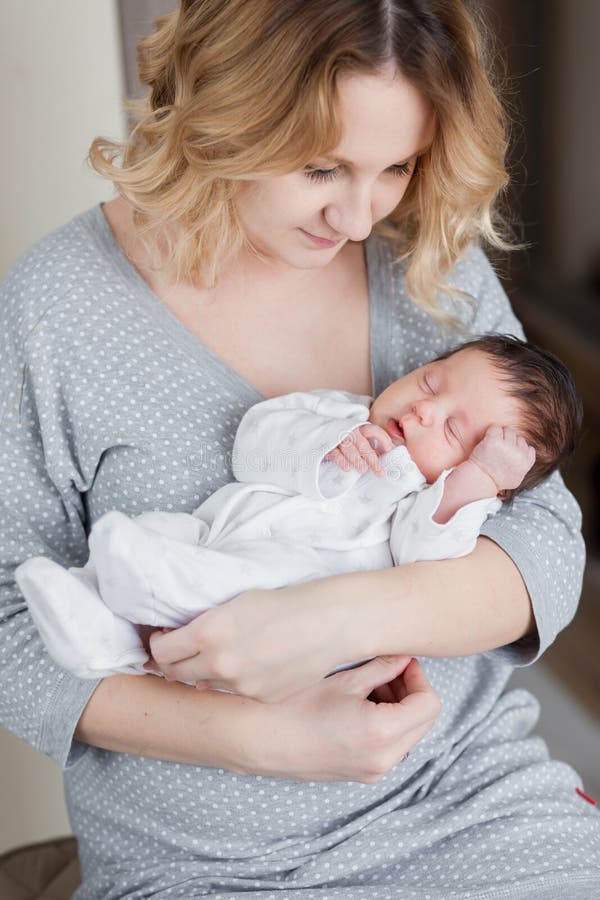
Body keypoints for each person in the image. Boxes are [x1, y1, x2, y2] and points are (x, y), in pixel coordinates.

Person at [1, 0, 598, 896]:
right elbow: (10, 635)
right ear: (224, 112)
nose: (360, 217)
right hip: (212, 866)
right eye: (323, 166)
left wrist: (338, 618)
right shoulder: (57, 308)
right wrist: (256, 739)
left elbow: (544, 536)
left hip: (464, 798)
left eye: (396, 165)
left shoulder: (423, 259)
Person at [15, 335, 581, 683]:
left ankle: (142, 586)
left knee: (208, 575)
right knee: (159, 534)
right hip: (218, 527)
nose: (427, 409)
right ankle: (93, 629)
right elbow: (255, 441)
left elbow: (423, 553)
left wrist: (471, 485)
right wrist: (324, 447)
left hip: (287, 583)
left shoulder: (435, 501)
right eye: (432, 381)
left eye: (456, 430)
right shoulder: (342, 413)